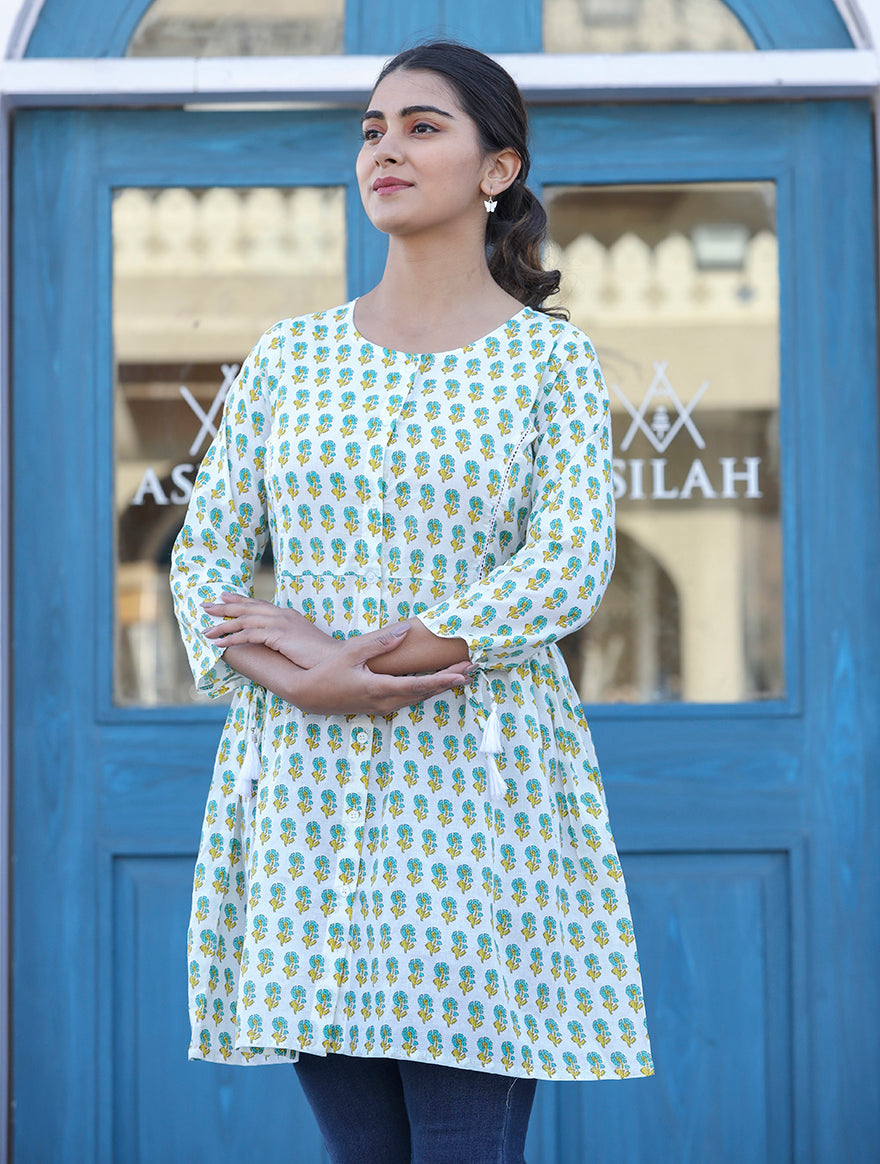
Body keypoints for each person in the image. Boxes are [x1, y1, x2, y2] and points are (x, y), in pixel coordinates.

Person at [171, 40, 653, 1164]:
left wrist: (364, 661)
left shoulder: (549, 365)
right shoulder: (290, 360)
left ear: (498, 169)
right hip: (308, 808)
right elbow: (203, 569)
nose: (385, 147)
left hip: (477, 800)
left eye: (422, 126)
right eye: (371, 128)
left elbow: (568, 561)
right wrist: (307, 679)